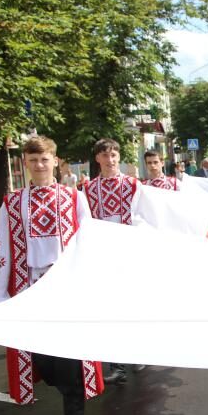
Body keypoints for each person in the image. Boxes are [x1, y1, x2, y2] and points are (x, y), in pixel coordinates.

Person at [0, 136, 104, 415]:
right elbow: (3, 249)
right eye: (33, 159)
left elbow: (88, 242)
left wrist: (93, 288)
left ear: (55, 161)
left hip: (66, 294)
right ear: (25, 163)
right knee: (44, 362)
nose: (39, 165)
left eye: (44, 159)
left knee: (70, 365)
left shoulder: (73, 197)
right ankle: (64, 390)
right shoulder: (12, 203)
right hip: (30, 292)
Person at [83, 138, 141, 385]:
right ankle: (117, 365)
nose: (110, 160)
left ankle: (138, 352)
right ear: (98, 158)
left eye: (114, 155)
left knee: (132, 306)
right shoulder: (88, 189)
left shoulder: (133, 185)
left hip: (129, 254)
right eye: (105, 155)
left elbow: (144, 216)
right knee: (109, 310)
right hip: (103, 257)